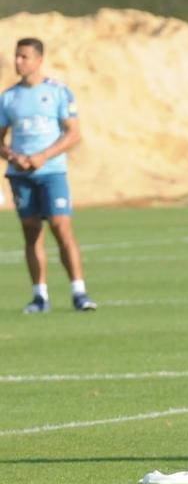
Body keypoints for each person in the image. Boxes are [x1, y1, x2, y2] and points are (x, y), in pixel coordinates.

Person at [0, 37, 98, 314]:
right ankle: (39, 296)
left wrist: (44, 155)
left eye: (24, 57)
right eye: (16, 56)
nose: (18, 62)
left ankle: (79, 291)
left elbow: (73, 133)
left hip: (52, 172)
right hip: (20, 176)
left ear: (39, 60)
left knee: (60, 227)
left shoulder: (58, 92)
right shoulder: (8, 97)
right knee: (31, 232)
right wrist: (12, 156)